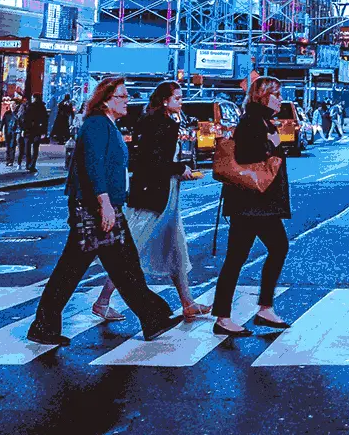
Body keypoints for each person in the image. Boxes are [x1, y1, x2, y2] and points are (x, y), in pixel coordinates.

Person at [26, 77, 180, 347]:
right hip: (95, 209)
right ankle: (44, 325)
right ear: (107, 100)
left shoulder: (107, 124)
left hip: (103, 206)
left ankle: (153, 318)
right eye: (123, 96)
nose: (128, 100)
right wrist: (105, 203)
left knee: (123, 265)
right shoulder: (97, 124)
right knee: (80, 268)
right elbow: (93, 165)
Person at [91, 81, 210, 323]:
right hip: (153, 196)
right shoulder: (162, 124)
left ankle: (187, 302)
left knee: (175, 247)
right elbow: (150, 160)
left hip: (164, 194)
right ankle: (102, 301)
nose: (181, 101)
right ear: (165, 100)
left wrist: (179, 170)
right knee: (130, 251)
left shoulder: (156, 120)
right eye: (177, 98)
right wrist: (180, 168)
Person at [212, 76, 291, 338]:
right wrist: (276, 147)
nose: (280, 99)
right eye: (276, 94)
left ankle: (259, 309)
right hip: (252, 204)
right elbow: (251, 159)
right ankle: (231, 315)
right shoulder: (252, 123)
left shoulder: (262, 121)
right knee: (246, 255)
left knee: (252, 254)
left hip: (256, 203)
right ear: (263, 96)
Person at [22, 93, 50, 174]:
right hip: (37, 130)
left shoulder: (30, 106)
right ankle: (32, 164)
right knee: (35, 148)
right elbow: (45, 121)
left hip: (29, 130)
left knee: (28, 147)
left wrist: (23, 129)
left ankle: (28, 164)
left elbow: (25, 118)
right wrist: (44, 131)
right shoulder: (42, 107)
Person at [2, 103, 22, 168]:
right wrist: (0, 130)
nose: (13, 107)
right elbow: (3, 122)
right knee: (7, 147)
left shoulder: (17, 113)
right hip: (7, 131)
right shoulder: (7, 113)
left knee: (12, 146)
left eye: (14, 106)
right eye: (11, 106)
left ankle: (11, 161)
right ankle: (7, 160)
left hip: (14, 132)